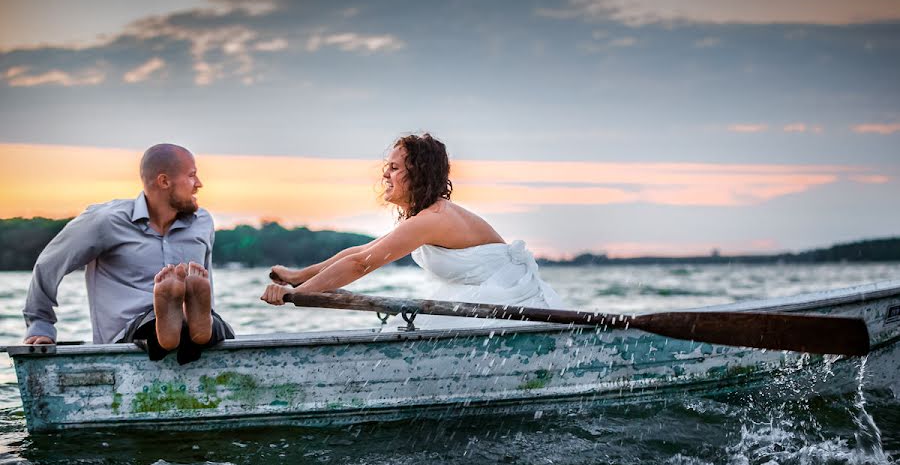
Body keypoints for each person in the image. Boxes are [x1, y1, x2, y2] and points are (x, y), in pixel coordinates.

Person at [261, 133, 562, 328]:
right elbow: (360, 252)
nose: (385, 173)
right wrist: (301, 276)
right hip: (485, 302)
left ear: (417, 174)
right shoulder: (424, 218)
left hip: (514, 308)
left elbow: (361, 264)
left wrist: (296, 295)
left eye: (394, 167)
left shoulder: (434, 219)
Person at [23, 143, 234, 363]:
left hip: (195, 328)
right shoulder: (105, 220)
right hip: (128, 334)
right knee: (160, 326)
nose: (198, 184)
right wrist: (41, 325)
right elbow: (49, 264)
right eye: (192, 176)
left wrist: (199, 310)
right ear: (164, 181)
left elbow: (204, 281)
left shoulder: (202, 222)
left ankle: (196, 325)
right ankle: (176, 321)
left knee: (203, 320)